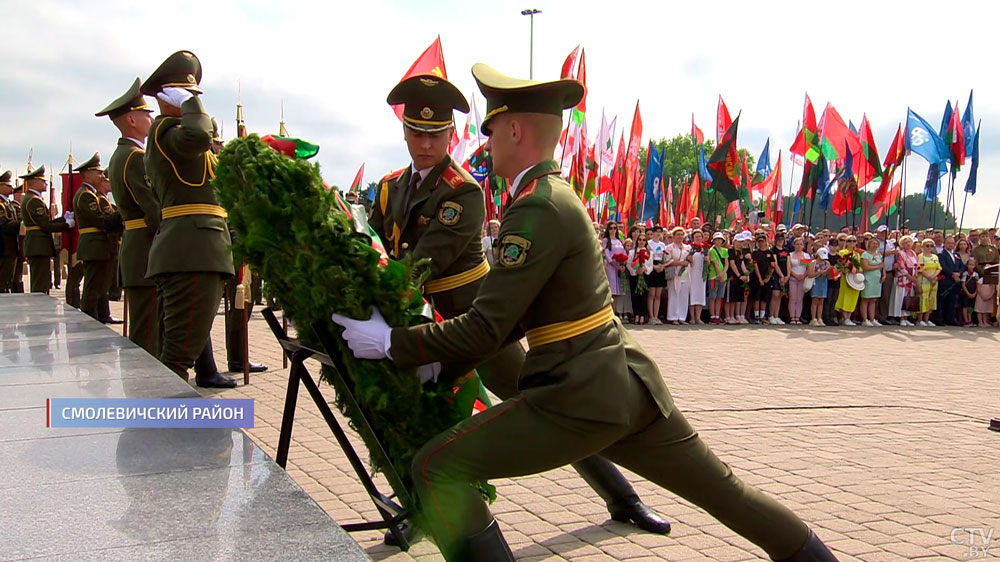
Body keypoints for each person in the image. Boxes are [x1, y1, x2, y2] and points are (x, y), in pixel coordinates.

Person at [333, 62, 838, 562]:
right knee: (729, 496)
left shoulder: (534, 207)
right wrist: (442, 361)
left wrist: (393, 344)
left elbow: (490, 325)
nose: (485, 144)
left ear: (513, 129)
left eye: (490, 131)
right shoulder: (551, 197)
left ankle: (622, 500)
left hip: (578, 395)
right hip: (625, 383)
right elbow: (522, 319)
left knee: (434, 467)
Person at [368, 72, 668, 545]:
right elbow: (380, 246)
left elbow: (419, 263)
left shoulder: (463, 190)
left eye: (436, 134)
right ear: (404, 133)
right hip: (420, 319)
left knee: (542, 406)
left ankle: (621, 496)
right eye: (416, 133)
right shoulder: (389, 189)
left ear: (451, 134)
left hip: (479, 320)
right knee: (413, 411)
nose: (425, 145)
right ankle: (417, 505)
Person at [142, 50, 236, 388]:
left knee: (175, 348)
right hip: (192, 253)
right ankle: (167, 433)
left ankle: (160, 430)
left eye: (195, 96)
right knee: (176, 357)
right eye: (184, 94)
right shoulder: (167, 132)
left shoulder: (180, 138)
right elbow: (200, 135)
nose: (193, 101)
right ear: (167, 97)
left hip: (197, 249)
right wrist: (191, 107)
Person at [98, 77, 161, 353]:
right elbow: (153, 210)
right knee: (147, 336)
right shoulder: (135, 157)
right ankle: (144, 395)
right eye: (146, 113)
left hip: (137, 247)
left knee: (146, 330)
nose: (151, 117)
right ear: (132, 119)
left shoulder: (121, 154)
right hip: (146, 249)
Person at [71, 153, 124, 321]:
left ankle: (101, 316)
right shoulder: (85, 195)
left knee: (100, 286)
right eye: (98, 172)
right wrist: (123, 210)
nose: (102, 176)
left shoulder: (93, 195)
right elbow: (101, 221)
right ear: (87, 174)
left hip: (101, 246)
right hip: (94, 245)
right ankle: (89, 320)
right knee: (92, 287)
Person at [20, 166, 73, 294]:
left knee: (42, 282)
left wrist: (62, 219)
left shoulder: (33, 198)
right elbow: (45, 226)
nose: (46, 184)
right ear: (36, 182)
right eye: (43, 181)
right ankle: (39, 311)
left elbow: (45, 222)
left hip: (38, 245)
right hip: (38, 245)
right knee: (40, 284)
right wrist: (66, 225)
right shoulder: (33, 200)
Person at [665, 226, 691, 324]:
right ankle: (673, 317)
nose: (680, 236)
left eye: (681, 234)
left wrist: (690, 259)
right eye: (678, 234)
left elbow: (690, 260)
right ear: (674, 236)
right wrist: (680, 263)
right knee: (674, 295)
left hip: (685, 274)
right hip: (674, 274)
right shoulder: (669, 247)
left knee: (684, 296)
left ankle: (682, 317)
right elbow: (667, 261)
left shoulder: (688, 247)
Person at [891, 236, 918, 327]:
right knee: (902, 298)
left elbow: (916, 266)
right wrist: (909, 277)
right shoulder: (901, 253)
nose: (908, 244)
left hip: (911, 278)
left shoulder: (914, 253)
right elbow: (901, 267)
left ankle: (906, 317)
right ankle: (902, 318)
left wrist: (915, 277)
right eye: (905, 242)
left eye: (909, 242)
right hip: (903, 278)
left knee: (909, 298)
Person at [0, 170, 20, 292]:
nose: (11, 187)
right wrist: (22, 224)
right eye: (7, 185)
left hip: (11, 248)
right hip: (3, 247)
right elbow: (3, 225)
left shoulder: (8, 204)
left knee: (8, 280)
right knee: (2, 281)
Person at [834, 236, 860, 326]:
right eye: (849, 241)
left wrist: (858, 270)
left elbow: (859, 266)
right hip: (845, 277)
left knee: (853, 297)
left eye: (854, 241)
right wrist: (847, 268)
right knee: (844, 296)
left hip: (854, 277)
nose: (851, 242)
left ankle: (848, 317)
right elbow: (840, 264)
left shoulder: (857, 254)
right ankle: (844, 317)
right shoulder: (842, 252)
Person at [937, 235, 962, 326]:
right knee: (942, 301)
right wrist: (952, 274)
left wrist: (959, 273)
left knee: (952, 301)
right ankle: (940, 319)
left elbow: (961, 265)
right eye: (948, 243)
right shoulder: (941, 255)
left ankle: (951, 319)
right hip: (946, 280)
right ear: (944, 243)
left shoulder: (957, 255)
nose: (951, 245)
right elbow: (943, 266)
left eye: (952, 243)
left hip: (955, 282)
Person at [875, 225, 897, 324]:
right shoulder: (875, 242)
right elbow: (877, 253)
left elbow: (894, 254)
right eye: (882, 232)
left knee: (886, 296)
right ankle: (874, 316)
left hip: (889, 272)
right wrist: (890, 252)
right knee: (875, 296)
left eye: (886, 232)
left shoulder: (890, 243)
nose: (884, 234)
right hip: (877, 272)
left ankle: (883, 317)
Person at [859, 237, 884, 327]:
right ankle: (865, 319)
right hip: (868, 278)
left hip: (877, 278)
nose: (875, 245)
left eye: (876, 244)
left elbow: (883, 265)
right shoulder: (865, 255)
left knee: (873, 299)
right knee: (866, 299)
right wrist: (878, 266)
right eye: (873, 243)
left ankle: (872, 318)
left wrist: (883, 274)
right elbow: (866, 267)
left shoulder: (879, 254)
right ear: (869, 244)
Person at [645, 226, 667, 324]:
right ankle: (651, 316)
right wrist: (653, 266)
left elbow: (666, 257)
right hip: (652, 269)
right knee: (652, 294)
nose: (658, 234)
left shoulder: (663, 245)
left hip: (660, 269)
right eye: (656, 232)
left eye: (660, 232)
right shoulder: (649, 244)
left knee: (658, 295)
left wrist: (663, 265)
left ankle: (656, 316)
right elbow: (646, 258)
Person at [628, 231, 651, 325]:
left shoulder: (649, 253)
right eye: (640, 240)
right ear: (637, 241)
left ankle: (642, 315)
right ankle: (636, 315)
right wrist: (635, 270)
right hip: (635, 276)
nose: (642, 242)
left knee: (644, 297)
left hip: (645, 276)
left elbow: (651, 266)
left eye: (644, 240)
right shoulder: (632, 252)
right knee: (635, 296)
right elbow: (629, 264)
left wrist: (645, 269)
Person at [916, 239, 940, 327]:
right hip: (924, 280)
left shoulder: (935, 257)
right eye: (927, 245)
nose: (929, 247)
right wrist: (929, 277)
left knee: (931, 299)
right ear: (922, 246)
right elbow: (920, 269)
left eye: (931, 246)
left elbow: (939, 268)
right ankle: (920, 319)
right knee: (923, 299)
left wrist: (934, 276)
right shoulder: (920, 256)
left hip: (934, 281)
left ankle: (927, 319)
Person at [751, 232, 773, 324]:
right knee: (757, 297)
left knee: (765, 298)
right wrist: (760, 278)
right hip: (756, 278)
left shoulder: (769, 253)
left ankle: (762, 316)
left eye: (762, 241)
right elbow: (755, 265)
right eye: (759, 241)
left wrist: (767, 278)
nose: (761, 243)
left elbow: (772, 266)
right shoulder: (755, 253)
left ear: (766, 242)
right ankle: (756, 316)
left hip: (766, 279)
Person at [706, 231, 728, 324]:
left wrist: (723, 274)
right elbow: (715, 264)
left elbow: (726, 263)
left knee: (719, 297)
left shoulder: (725, 250)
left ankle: (717, 315)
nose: (718, 241)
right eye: (716, 239)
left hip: (723, 276)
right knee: (713, 297)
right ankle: (712, 315)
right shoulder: (712, 250)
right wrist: (720, 275)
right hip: (714, 277)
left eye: (720, 239)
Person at [787, 236, 810, 325]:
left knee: (800, 299)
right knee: (793, 298)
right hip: (793, 278)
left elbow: (808, 268)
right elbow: (789, 267)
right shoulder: (791, 255)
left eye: (801, 244)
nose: (799, 246)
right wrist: (795, 275)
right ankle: (792, 317)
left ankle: (798, 317)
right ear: (794, 245)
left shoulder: (806, 255)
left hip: (803, 279)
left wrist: (803, 276)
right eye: (797, 244)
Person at [807, 247, 830, 326]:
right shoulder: (813, 262)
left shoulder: (827, 263)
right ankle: (813, 318)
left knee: (821, 301)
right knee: (815, 300)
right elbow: (810, 274)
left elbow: (829, 274)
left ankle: (819, 318)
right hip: (815, 282)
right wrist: (819, 272)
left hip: (824, 282)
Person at [688, 229, 707, 324]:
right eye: (696, 237)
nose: (698, 238)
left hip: (701, 275)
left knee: (700, 296)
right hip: (692, 274)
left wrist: (708, 259)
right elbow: (689, 260)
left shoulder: (705, 249)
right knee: (692, 295)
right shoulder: (690, 248)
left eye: (700, 236)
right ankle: (692, 317)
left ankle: (698, 318)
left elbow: (709, 261)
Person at [960, 257, 979, 327]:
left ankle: (970, 319)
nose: (971, 266)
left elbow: (977, 285)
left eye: (972, 265)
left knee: (971, 307)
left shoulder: (976, 274)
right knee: (965, 306)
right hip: (966, 293)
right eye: (969, 264)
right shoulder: (965, 274)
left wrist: (975, 293)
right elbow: (963, 285)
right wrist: (967, 293)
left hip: (973, 292)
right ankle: (966, 320)